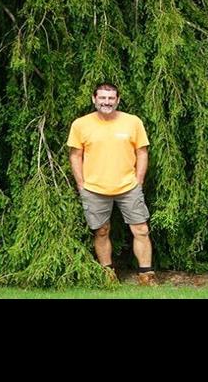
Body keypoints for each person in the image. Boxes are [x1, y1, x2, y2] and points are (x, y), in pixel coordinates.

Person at [67, 82, 155, 285]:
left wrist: (138, 181)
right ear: (94, 99)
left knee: (141, 229)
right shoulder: (80, 125)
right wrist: (81, 184)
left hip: (129, 187)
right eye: (102, 98)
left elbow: (142, 153)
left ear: (117, 100)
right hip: (94, 189)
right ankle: (108, 276)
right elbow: (75, 155)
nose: (107, 102)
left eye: (111, 98)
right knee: (101, 231)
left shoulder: (133, 122)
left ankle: (146, 276)